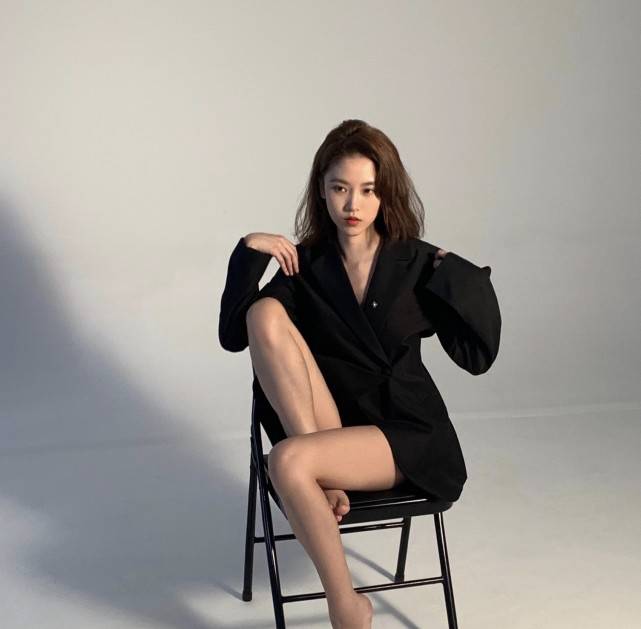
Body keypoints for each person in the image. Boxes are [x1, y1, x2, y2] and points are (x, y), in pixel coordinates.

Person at [218, 119, 501, 628]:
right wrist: (248, 252)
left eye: (368, 190)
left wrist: (455, 274)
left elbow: (477, 356)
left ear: (385, 193)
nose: (353, 205)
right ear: (321, 192)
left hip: (406, 434)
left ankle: (344, 608)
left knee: (286, 462)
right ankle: (341, 564)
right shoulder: (307, 265)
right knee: (264, 312)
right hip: (330, 425)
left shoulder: (413, 261)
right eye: (340, 188)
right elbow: (236, 336)